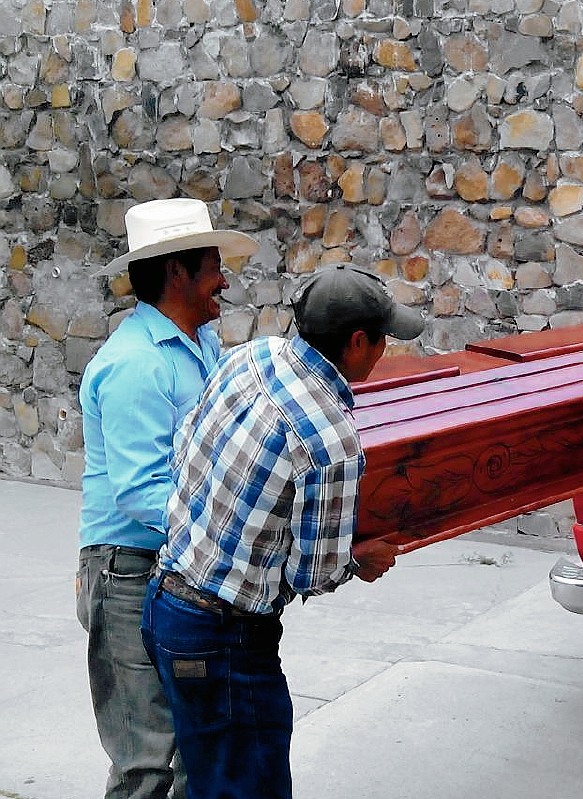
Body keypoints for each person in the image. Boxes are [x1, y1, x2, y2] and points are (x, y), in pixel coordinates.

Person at [140, 264, 424, 799]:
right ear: (357, 342)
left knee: (208, 781)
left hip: (163, 605)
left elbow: (185, 450)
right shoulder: (332, 441)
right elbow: (313, 573)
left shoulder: (252, 354)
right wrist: (361, 560)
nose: (388, 349)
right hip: (226, 640)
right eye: (384, 338)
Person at [77, 198, 258, 799]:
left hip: (174, 567)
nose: (223, 280)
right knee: (147, 762)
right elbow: (140, 493)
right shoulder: (136, 366)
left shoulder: (201, 348)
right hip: (129, 575)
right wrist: (226, 540)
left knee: (190, 752)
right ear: (176, 272)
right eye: (211, 265)